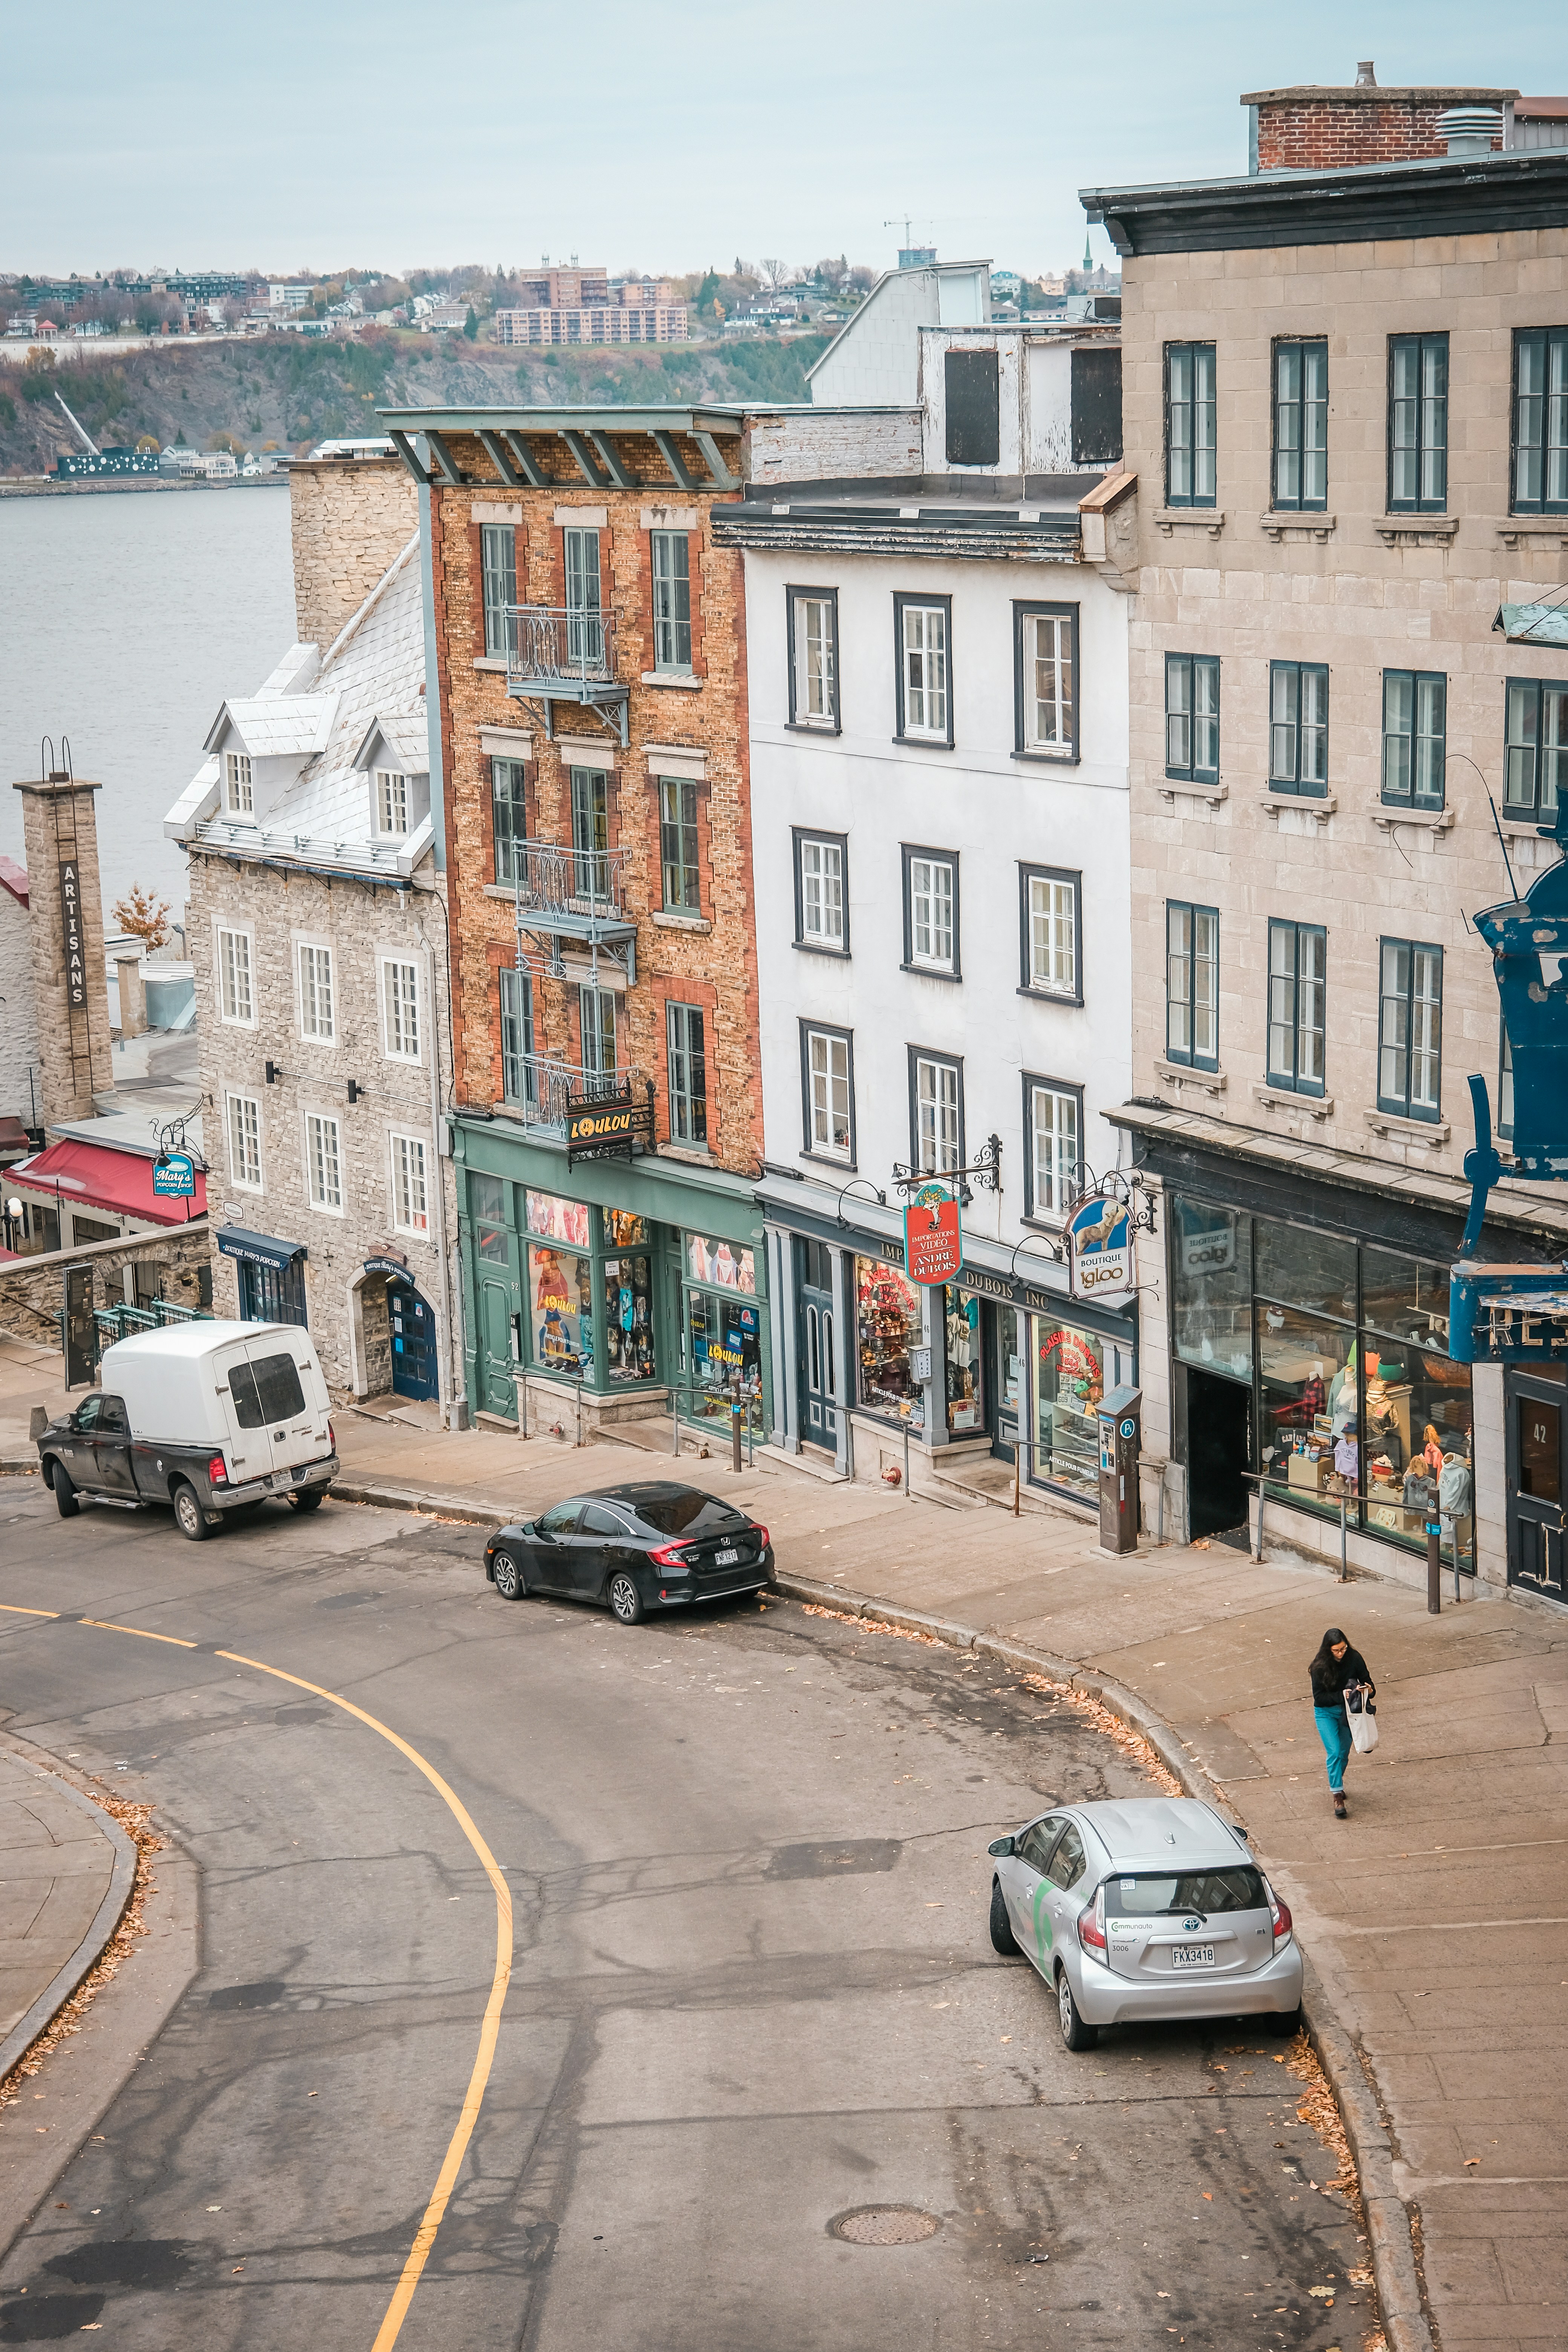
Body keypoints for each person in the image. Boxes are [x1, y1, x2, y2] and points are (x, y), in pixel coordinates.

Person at [1309, 1627, 1376, 1819]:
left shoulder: (1354, 1658)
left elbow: (1369, 1684)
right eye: (1336, 1651)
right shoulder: (1319, 1667)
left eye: (1343, 1649)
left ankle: (1336, 1782)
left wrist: (1369, 1690)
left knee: (1344, 1754)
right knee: (1334, 1751)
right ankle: (1337, 1794)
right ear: (1328, 1650)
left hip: (1349, 1712)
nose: (1341, 1654)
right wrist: (1342, 1695)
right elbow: (1319, 1698)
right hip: (1326, 1713)